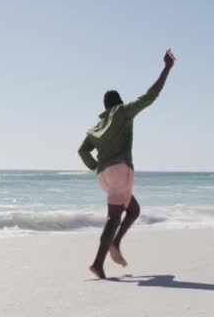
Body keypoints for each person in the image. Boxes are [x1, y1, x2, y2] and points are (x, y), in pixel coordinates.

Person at [78, 50, 175, 279]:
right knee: (114, 217)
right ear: (118, 102)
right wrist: (167, 68)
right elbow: (150, 96)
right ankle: (97, 263)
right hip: (121, 172)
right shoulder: (123, 112)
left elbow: (82, 150)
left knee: (133, 209)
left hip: (104, 176)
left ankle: (116, 244)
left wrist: (95, 166)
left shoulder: (96, 127)